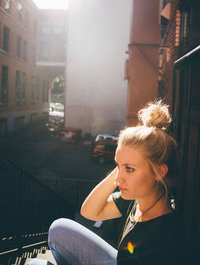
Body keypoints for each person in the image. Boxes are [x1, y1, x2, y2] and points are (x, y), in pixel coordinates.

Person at [27, 100, 189, 265]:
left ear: (160, 172)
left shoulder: (164, 241)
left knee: (35, 264)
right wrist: (122, 166)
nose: (118, 178)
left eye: (130, 169)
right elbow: (89, 212)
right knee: (58, 228)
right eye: (118, 166)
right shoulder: (136, 201)